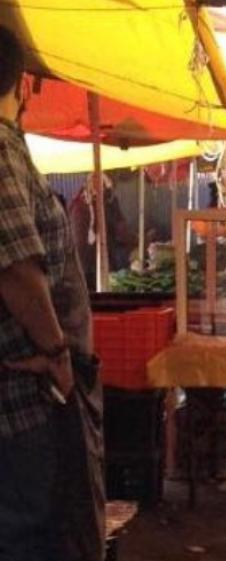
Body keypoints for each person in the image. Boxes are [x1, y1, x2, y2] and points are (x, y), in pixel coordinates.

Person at [0, 25, 105, 561]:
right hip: (19, 400)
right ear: (22, 85)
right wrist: (58, 355)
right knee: (31, 538)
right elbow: (17, 269)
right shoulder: (0, 147)